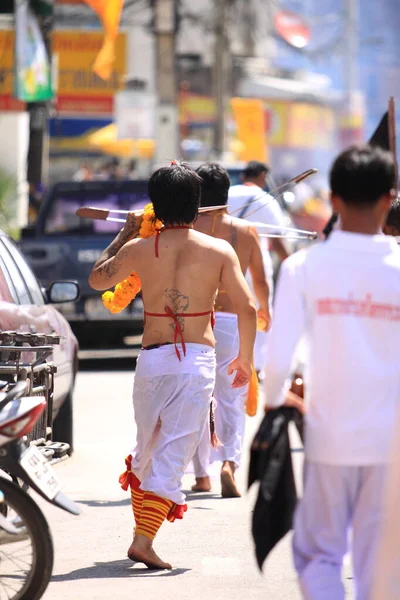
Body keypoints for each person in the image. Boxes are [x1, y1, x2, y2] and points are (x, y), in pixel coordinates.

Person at [88, 162, 257, 570]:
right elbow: (248, 305)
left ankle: (140, 536)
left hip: (152, 360)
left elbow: (97, 280)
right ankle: (143, 541)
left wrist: (127, 231)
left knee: (145, 448)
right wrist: (246, 359)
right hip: (196, 360)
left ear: (154, 207)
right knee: (175, 449)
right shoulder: (218, 250)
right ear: (198, 205)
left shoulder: (138, 249)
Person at [263, 145, 400, 599]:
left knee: (319, 555)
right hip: (391, 444)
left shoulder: (304, 267)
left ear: (334, 201)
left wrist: (273, 399)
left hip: (329, 435)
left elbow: (278, 356)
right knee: (381, 567)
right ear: (389, 198)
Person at [191, 163, 271, 497]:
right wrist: (265, 312)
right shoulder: (246, 231)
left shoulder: (185, 228)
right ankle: (229, 464)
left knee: (197, 398)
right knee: (231, 398)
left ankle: (201, 475)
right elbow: (261, 283)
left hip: (195, 321)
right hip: (233, 320)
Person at [228, 160, 289, 376]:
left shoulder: (228, 194)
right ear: (262, 176)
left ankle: (231, 360)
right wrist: (291, 264)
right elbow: (279, 241)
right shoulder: (267, 200)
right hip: (255, 266)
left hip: (224, 262)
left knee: (229, 313)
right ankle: (255, 367)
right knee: (259, 314)